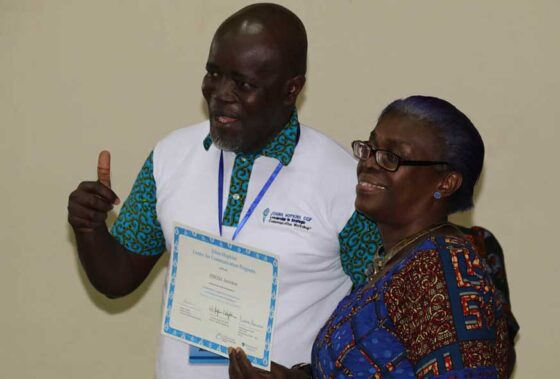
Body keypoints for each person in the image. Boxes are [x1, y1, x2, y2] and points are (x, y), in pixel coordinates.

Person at [67, 3, 380, 378]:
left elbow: (383, 323)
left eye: (243, 83)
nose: (220, 93)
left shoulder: (347, 184)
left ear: (290, 89)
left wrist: (305, 376)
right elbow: (117, 278)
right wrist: (89, 227)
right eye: (213, 73)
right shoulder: (170, 156)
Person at [228, 96, 518, 378]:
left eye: (391, 157)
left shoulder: (441, 269)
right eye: (369, 148)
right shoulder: (393, 261)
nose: (368, 163)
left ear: (446, 182)